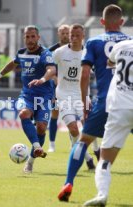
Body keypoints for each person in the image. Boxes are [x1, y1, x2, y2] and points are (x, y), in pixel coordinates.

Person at [57, 4, 131, 202]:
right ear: (122, 22)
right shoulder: (130, 42)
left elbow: (85, 74)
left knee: (84, 141)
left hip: (106, 102)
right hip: (130, 100)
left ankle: (68, 182)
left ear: (102, 22)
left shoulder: (94, 42)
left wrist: (84, 103)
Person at [0, 25, 56, 173]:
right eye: (27, 36)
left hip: (44, 96)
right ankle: (37, 147)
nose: (30, 39)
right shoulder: (21, 53)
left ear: (38, 37)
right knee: (23, 114)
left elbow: (52, 69)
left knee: (41, 127)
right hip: (27, 95)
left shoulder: (45, 53)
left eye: (33, 36)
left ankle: (30, 162)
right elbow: (12, 64)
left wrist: (43, 79)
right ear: (24, 38)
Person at [83, 40, 133, 206]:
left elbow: (110, 62)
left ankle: (102, 195)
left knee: (104, 160)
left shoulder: (122, 45)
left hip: (120, 109)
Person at [53, 24, 95, 170]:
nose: (74, 38)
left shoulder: (89, 53)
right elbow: (49, 68)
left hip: (82, 94)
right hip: (64, 95)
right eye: (72, 35)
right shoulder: (59, 52)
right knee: (73, 129)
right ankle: (87, 157)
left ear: (83, 36)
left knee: (88, 127)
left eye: (78, 35)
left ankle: (94, 150)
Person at [47, 24, 70, 152]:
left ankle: (75, 143)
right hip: (56, 89)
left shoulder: (77, 49)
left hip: (73, 88)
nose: (65, 35)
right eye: (63, 33)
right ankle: (52, 144)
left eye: (67, 33)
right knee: (54, 114)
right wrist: (55, 79)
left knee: (74, 115)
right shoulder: (51, 51)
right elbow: (47, 68)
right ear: (58, 34)